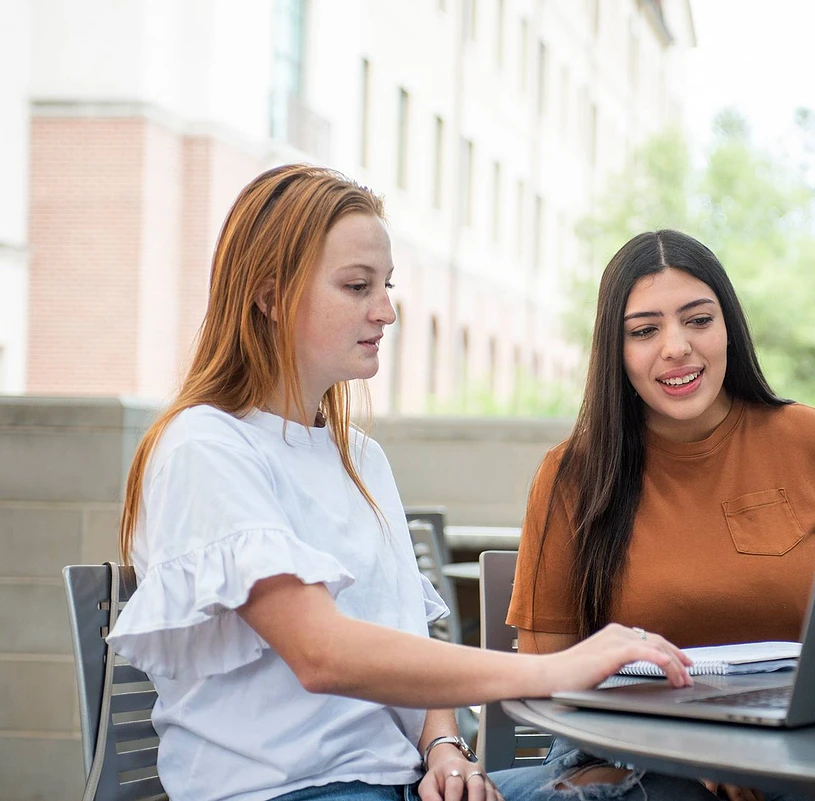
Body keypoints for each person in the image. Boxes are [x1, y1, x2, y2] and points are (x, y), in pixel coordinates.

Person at [105, 165, 693, 801]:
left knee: (661, 787)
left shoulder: (359, 457)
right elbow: (323, 654)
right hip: (294, 791)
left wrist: (443, 745)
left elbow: (406, 639)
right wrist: (552, 670)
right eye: (358, 286)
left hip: (399, 786)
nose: (386, 310)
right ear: (270, 296)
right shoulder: (205, 447)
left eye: (385, 285)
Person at [505, 229, 815, 801]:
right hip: (631, 753)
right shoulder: (572, 474)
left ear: (728, 329)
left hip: (811, 745)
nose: (676, 347)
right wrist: (690, 751)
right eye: (645, 331)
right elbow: (548, 680)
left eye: (698, 320)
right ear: (615, 352)